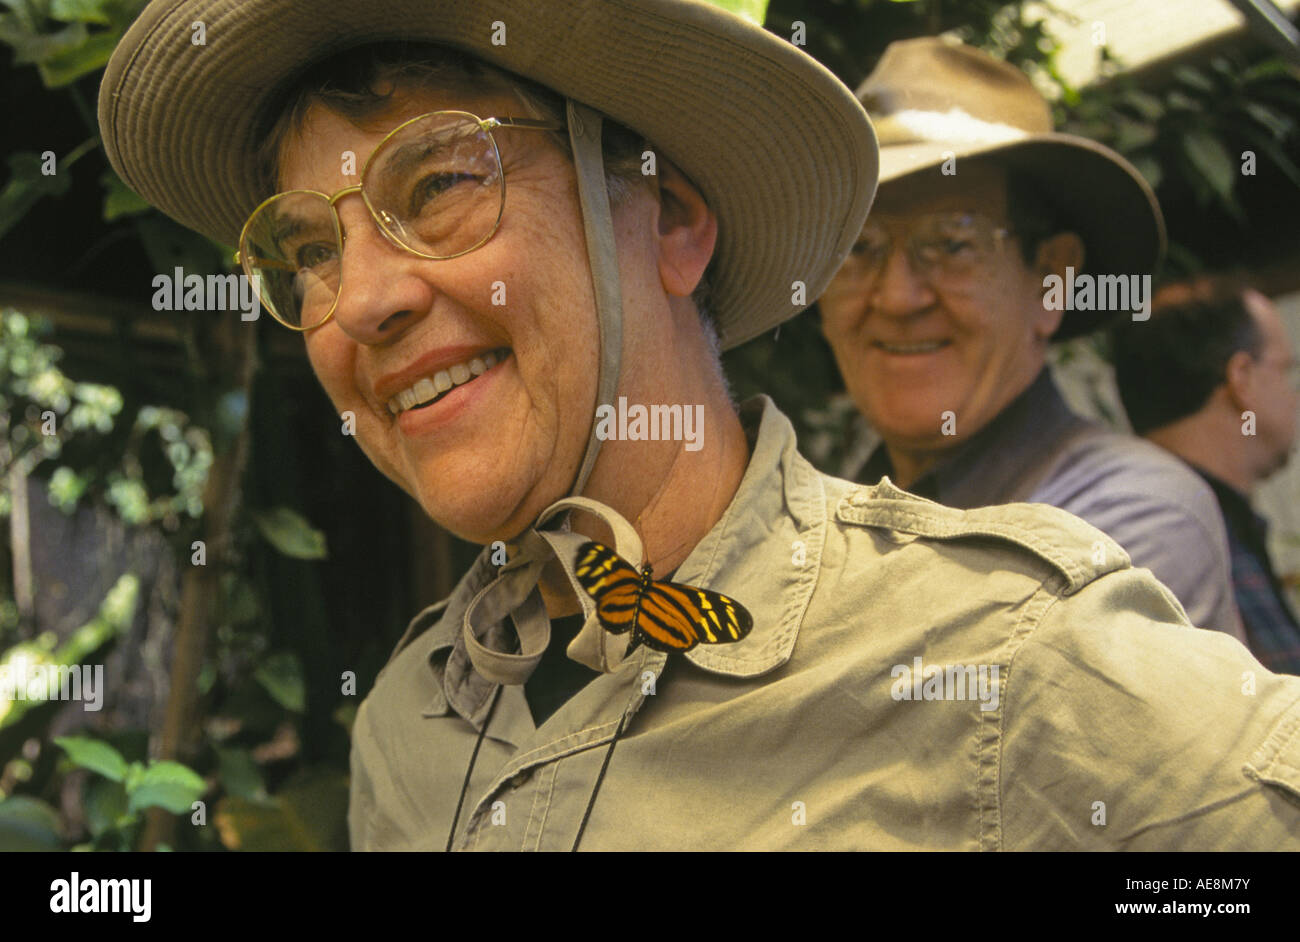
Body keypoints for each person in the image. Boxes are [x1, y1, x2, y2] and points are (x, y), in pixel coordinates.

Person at [100, 0, 1300, 851]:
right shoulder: (413, 718)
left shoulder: (1011, 653)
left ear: (671, 220)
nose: (359, 299)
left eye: (443, 182)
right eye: (307, 249)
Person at [819, 37, 1246, 641]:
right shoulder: (831, 508)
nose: (896, 298)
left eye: (951, 242)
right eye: (858, 248)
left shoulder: (1132, 517)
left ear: (1052, 278)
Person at [1113, 278, 1300, 674]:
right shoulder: (1182, 532)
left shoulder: (1165, 517)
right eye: (1286, 370)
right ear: (1242, 379)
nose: (1293, 396)